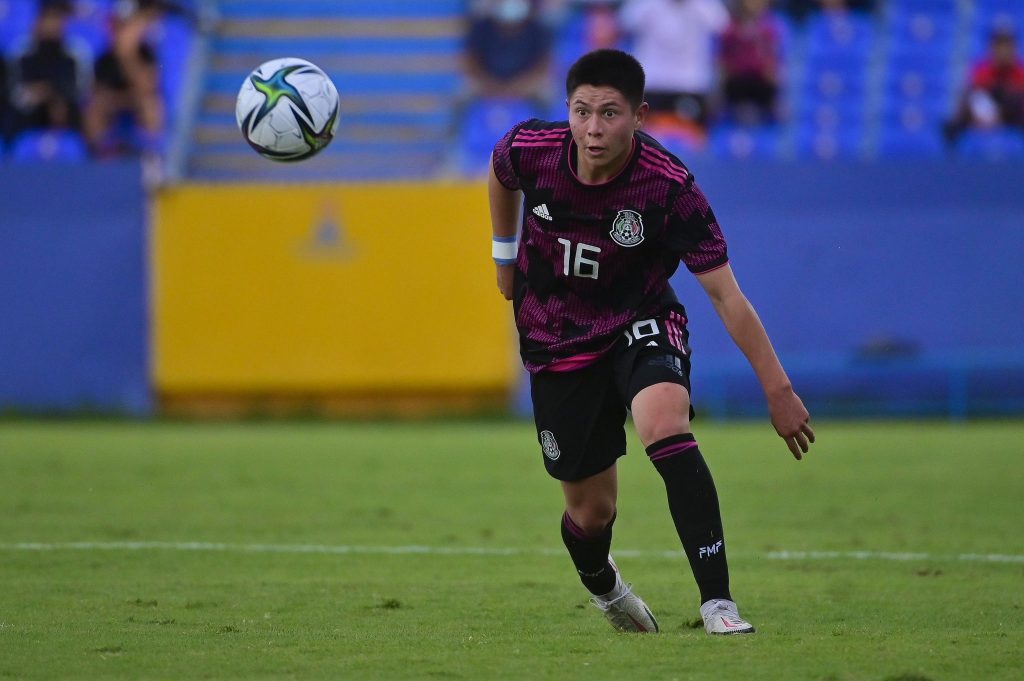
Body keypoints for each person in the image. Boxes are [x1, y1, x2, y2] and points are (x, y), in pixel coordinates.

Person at [487, 49, 814, 634]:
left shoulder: (668, 187)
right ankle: (608, 591)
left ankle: (718, 603)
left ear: (638, 115)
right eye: (582, 111)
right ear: (566, 110)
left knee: (665, 423)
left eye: (609, 113)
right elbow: (499, 169)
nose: (592, 129)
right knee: (591, 512)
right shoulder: (531, 149)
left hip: (640, 321)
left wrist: (778, 389)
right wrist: (503, 255)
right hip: (555, 339)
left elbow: (727, 297)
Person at [618, 0, 729, 134]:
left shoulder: (706, 6)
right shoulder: (645, 4)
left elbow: (724, 27)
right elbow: (625, 22)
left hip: (691, 84)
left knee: (693, 137)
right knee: (644, 136)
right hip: (652, 83)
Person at [83, 0, 165, 156]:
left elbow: (146, 88)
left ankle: (152, 157)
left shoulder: (146, 54)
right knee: (94, 109)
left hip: (136, 101)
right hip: (114, 103)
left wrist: (127, 56)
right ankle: (98, 155)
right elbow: (98, 92)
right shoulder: (104, 59)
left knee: (151, 106)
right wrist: (115, 100)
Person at [9, 0, 86, 138]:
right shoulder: (22, 53)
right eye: (48, 18)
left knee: (64, 108)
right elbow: (14, 91)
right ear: (37, 22)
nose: (52, 24)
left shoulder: (74, 53)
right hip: (29, 109)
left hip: (63, 106)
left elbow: (80, 90)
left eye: (56, 18)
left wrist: (50, 93)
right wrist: (37, 94)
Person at [943, 22, 1024, 145]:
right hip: (983, 116)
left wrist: (1000, 116)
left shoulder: (1020, 72)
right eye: (999, 46)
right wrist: (985, 115)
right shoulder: (981, 70)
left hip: (1013, 118)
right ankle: (952, 161)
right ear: (992, 49)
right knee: (951, 124)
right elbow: (974, 97)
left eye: (1007, 47)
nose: (1003, 51)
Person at [719, 0, 784, 125]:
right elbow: (724, 57)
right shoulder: (730, 28)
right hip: (737, 80)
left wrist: (771, 71)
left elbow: (774, 57)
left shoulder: (771, 29)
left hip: (761, 81)